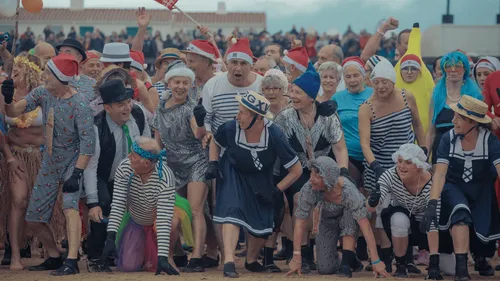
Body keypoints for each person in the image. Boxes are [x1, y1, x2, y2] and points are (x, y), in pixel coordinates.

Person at [2, 54, 95, 275]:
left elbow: (88, 146)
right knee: (34, 216)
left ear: (60, 78)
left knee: (70, 207)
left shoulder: (80, 104)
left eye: (48, 74)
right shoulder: (43, 93)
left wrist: (77, 173)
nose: (43, 76)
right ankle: (54, 256)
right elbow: (15, 111)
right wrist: (7, 99)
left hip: (73, 162)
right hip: (51, 162)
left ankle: (71, 261)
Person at [206, 91, 303, 277]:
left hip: (260, 177)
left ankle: (251, 260)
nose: (237, 116)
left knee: (260, 222)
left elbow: (296, 170)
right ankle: (228, 261)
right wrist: (213, 163)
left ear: (257, 117)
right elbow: (215, 143)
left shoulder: (274, 134)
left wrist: (276, 190)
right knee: (232, 210)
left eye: (242, 112)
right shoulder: (230, 128)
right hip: (233, 171)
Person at [274, 67, 348, 273]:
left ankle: (344, 253)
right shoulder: (285, 117)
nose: (293, 97)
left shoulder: (328, 117)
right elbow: (275, 150)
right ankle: (304, 254)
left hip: (324, 169)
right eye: (292, 92)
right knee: (300, 201)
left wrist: (343, 173)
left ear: (311, 97)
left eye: (298, 93)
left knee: (330, 206)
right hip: (296, 169)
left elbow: (340, 148)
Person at [358, 57, 426, 273]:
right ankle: (386, 258)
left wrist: (423, 151)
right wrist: (376, 165)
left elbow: (417, 124)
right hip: (378, 167)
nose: (380, 86)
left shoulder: (407, 97)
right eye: (376, 82)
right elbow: (364, 143)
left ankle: (407, 260)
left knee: (410, 212)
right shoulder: (366, 108)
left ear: (393, 82)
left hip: (407, 168)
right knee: (381, 214)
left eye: (384, 82)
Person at [422, 95, 500, 280]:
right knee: (460, 215)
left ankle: (481, 257)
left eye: (458, 117)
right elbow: (440, 174)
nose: (452, 120)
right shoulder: (447, 139)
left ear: (473, 122)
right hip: (454, 186)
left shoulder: (490, 141)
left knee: (484, 239)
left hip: (481, 190)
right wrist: (432, 203)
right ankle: (461, 269)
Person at [287, 157, 390, 278]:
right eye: (311, 173)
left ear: (328, 178)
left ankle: (346, 264)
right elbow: (300, 223)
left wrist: (376, 261)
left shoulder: (348, 191)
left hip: (352, 216)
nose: (311, 179)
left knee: (349, 215)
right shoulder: (309, 189)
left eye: (317, 175)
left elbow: (365, 227)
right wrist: (296, 256)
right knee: (325, 268)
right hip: (328, 217)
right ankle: (349, 258)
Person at [85, 78, 151, 265]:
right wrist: (93, 203)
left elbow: (147, 146)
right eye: (120, 104)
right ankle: (97, 255)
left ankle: (126, 251)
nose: (127, 108)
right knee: (104, 204)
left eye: (128, 102)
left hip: (134, 175)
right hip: (104, 176)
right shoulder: (97, 127)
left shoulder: (138, 114)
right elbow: (91, 167)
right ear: (107, 108)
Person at [152, 63, 210, 272]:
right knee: (173, 211)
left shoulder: (192, 107)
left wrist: (201, 122)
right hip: (171, 165)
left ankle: (196, 257)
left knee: (195, 210)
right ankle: (175, 254)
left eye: (185, 83)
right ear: (169, 83)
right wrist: (158, 167)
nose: (181, 86)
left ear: (190, 85)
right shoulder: (160, 107)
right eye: (177, 82)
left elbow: (198, 134)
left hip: (196, 161)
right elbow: (158, 141)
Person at [97, 138, 179, 275]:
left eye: (133, 155)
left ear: (146, 162)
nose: (128, 156)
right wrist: (110, 237)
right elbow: (118, 203)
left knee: (172, 221)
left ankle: (170, 256)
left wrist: (162, 257)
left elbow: (163, 219)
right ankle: (144, 253)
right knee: (129, 266)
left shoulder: (165, 176)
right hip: (137, 219)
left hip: (157, 218)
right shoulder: (124, 168)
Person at [0, 53, 50, 270]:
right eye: (12, 71)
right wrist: (9, 157)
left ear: (29, 72)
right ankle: (15, 256)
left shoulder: (42, 94)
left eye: (18, 71)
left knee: (39, 205)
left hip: (39, 156)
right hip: (15, 155)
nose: (13, 75)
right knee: (18, 200)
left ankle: (49, 250)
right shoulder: (4, 94)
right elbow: (1, 129)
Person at [367, 144, 443, 279]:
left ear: (419, 166)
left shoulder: (431, 183)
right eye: (400, 161)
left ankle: (435, 261)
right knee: (398, 219)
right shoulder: (390, 175)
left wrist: (434, 264)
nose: (402, 166)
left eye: (408, 163)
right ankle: (401, 265)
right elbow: (373, 206)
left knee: (449, 267)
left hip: (426, 227)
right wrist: (372, 201)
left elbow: (433, 224)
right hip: (403, 219)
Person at [426, 51, 482, 165]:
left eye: (458, 66)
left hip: (467, 155)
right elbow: (431, 132)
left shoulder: (474, 95)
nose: (452, 70)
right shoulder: (437, 96)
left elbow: (479, 130)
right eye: (448, 66)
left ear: (465, 69)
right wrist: (424, 159)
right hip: (440, 154)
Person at [332, 57, 373, 187]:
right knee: (351, 195)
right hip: (349, 156)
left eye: (356, 75)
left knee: (371, 197)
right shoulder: (337, 98)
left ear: (364, 75)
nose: (352, 80)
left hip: (373, 155)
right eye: (348, 76)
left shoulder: (374, 95)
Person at [395, 23, 435, 134]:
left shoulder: (427, 76)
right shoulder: (393, 71)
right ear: (397, 45)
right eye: (405, 69)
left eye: (413, 69)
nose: (409, 72)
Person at [56, 38, 96, 103]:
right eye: (60, 52)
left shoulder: (92, 84)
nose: (62, 56)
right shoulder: (49, 80)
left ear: (79, 58)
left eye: (67, 52)